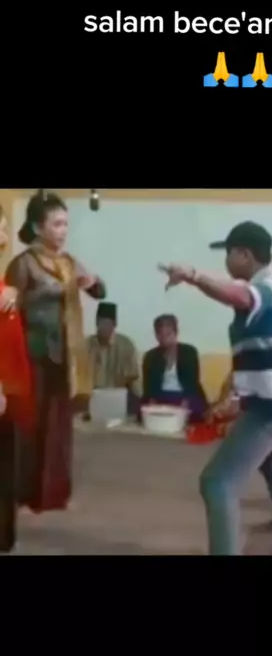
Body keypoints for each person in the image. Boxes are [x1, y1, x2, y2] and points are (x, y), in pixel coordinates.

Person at [159, 221, 272, 556]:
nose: (226, 262)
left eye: (229, 254)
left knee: (217, 483)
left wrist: (192, 275)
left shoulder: (268, 289)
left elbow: (239, 296)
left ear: (244, 255)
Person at [3, 191, 107, 513]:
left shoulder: (68, 262)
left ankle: (55, 495)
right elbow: (9, 308)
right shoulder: (24, 264)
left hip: (65, 355)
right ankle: (25, 495)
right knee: (31, 426)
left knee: (59, 428)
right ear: (38, 227)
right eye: (57, 224)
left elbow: (100, 291)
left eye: (65, 224)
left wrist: (93, 283)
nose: (63, 231)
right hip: (33, 354)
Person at [0, 214, 35, 552]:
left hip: (10, 389)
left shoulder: (5, 286)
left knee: (6, 465)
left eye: (4, 228)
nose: (4, 236)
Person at [142, 314, 208, 421]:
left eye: (168, 334)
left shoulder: (189, 352)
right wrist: (152, 406)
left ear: (176, 333)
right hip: (161, 397)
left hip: (185, 395)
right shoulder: (150, 356)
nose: (164, 338)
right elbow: (148, 388)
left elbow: (192, 383)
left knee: (196, 412)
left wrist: (184, 405)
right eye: (160, 334)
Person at [86, 302, 140, 416]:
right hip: (92, 395)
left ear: (114, 325)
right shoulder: (87, 344)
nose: (103, 327)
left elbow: (132, 378)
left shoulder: (126, 344)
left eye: (107, 323)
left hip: (119, 394)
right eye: (100, 323)